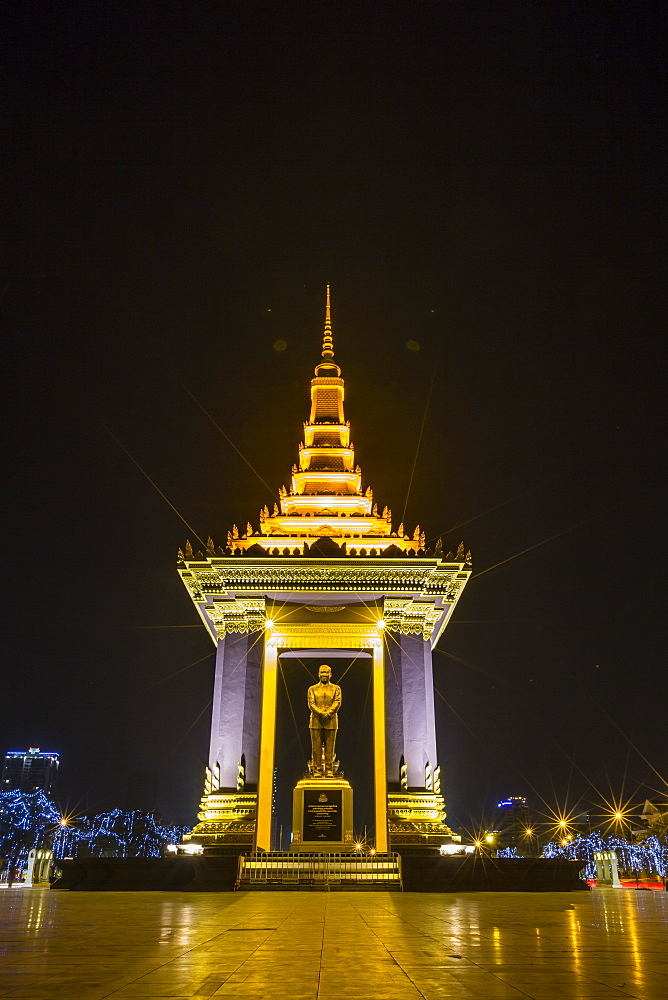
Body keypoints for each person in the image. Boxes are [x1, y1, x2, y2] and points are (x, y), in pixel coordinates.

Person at [307, 664, 341, 777]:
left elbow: (337, 702)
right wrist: (321, 713)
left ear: (330, 674)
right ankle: (316, 771)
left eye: (326, 672)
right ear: (318, 674)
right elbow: (311, 704)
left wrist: (328, 713)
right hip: (316, 721)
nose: (324, 675)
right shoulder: (312, 689)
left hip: (331, 721)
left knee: (330, 748)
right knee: (316, 749)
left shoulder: (336, 688)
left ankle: (329, 771)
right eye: (322, 672)